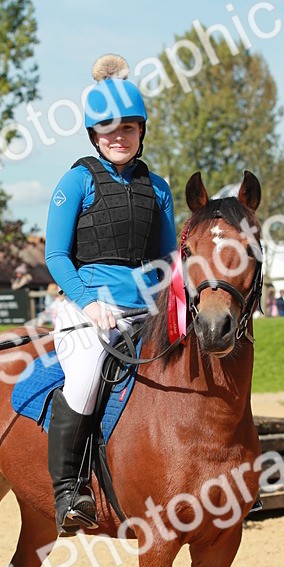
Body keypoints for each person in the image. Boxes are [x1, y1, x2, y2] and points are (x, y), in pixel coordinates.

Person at [45, 53, 177, 534]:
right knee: (84, 376)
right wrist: (88, 300)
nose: (118, 137)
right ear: (93, 136)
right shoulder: (76, 180)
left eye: (128, 128)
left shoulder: (158, 188)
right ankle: (67, 494)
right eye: (107, 130)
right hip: (88, 310)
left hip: (145, 313)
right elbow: (56, 255)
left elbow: (167, 261)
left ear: (141, 131)